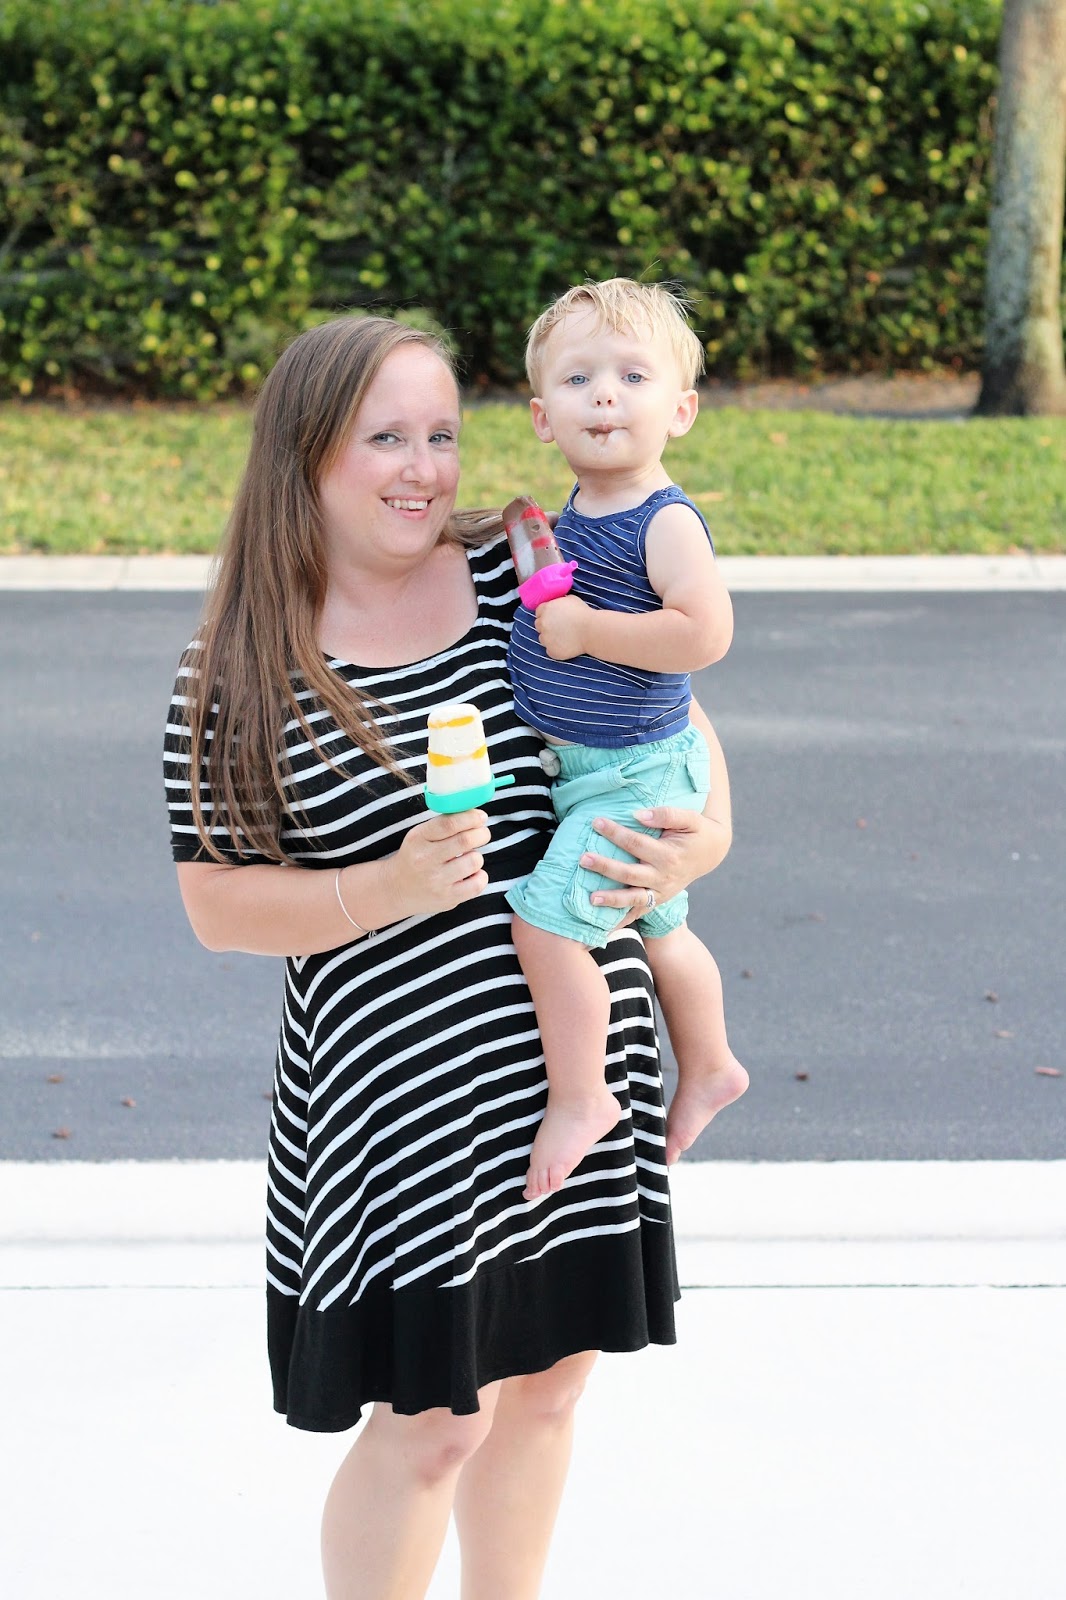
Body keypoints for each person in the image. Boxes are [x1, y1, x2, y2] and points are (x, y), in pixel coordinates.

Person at [164, 313, 732, 1600]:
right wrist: (382, 884)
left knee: (543, 1390)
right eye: (386, 439)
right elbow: (212, 901)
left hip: (574, 1066)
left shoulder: (517, 573)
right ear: (307, 454)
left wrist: (704, 842)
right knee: (433, 1421)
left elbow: (673, 723)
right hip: (398, 1097)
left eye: (440, 435)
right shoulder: (238, 661)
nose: (423, 469)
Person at [506, 278, 748, 1200]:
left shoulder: (665, 520)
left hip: (634, 777)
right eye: (578, 379)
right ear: (541, 416)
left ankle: (583, 1095)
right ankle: (713, 1062)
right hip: (596, 773)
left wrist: (587, 631)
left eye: (633, 374)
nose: (604, 394)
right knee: (663, 930)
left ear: (680, 409)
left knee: (543, 927)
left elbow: (703, 635)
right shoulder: (567, 519)